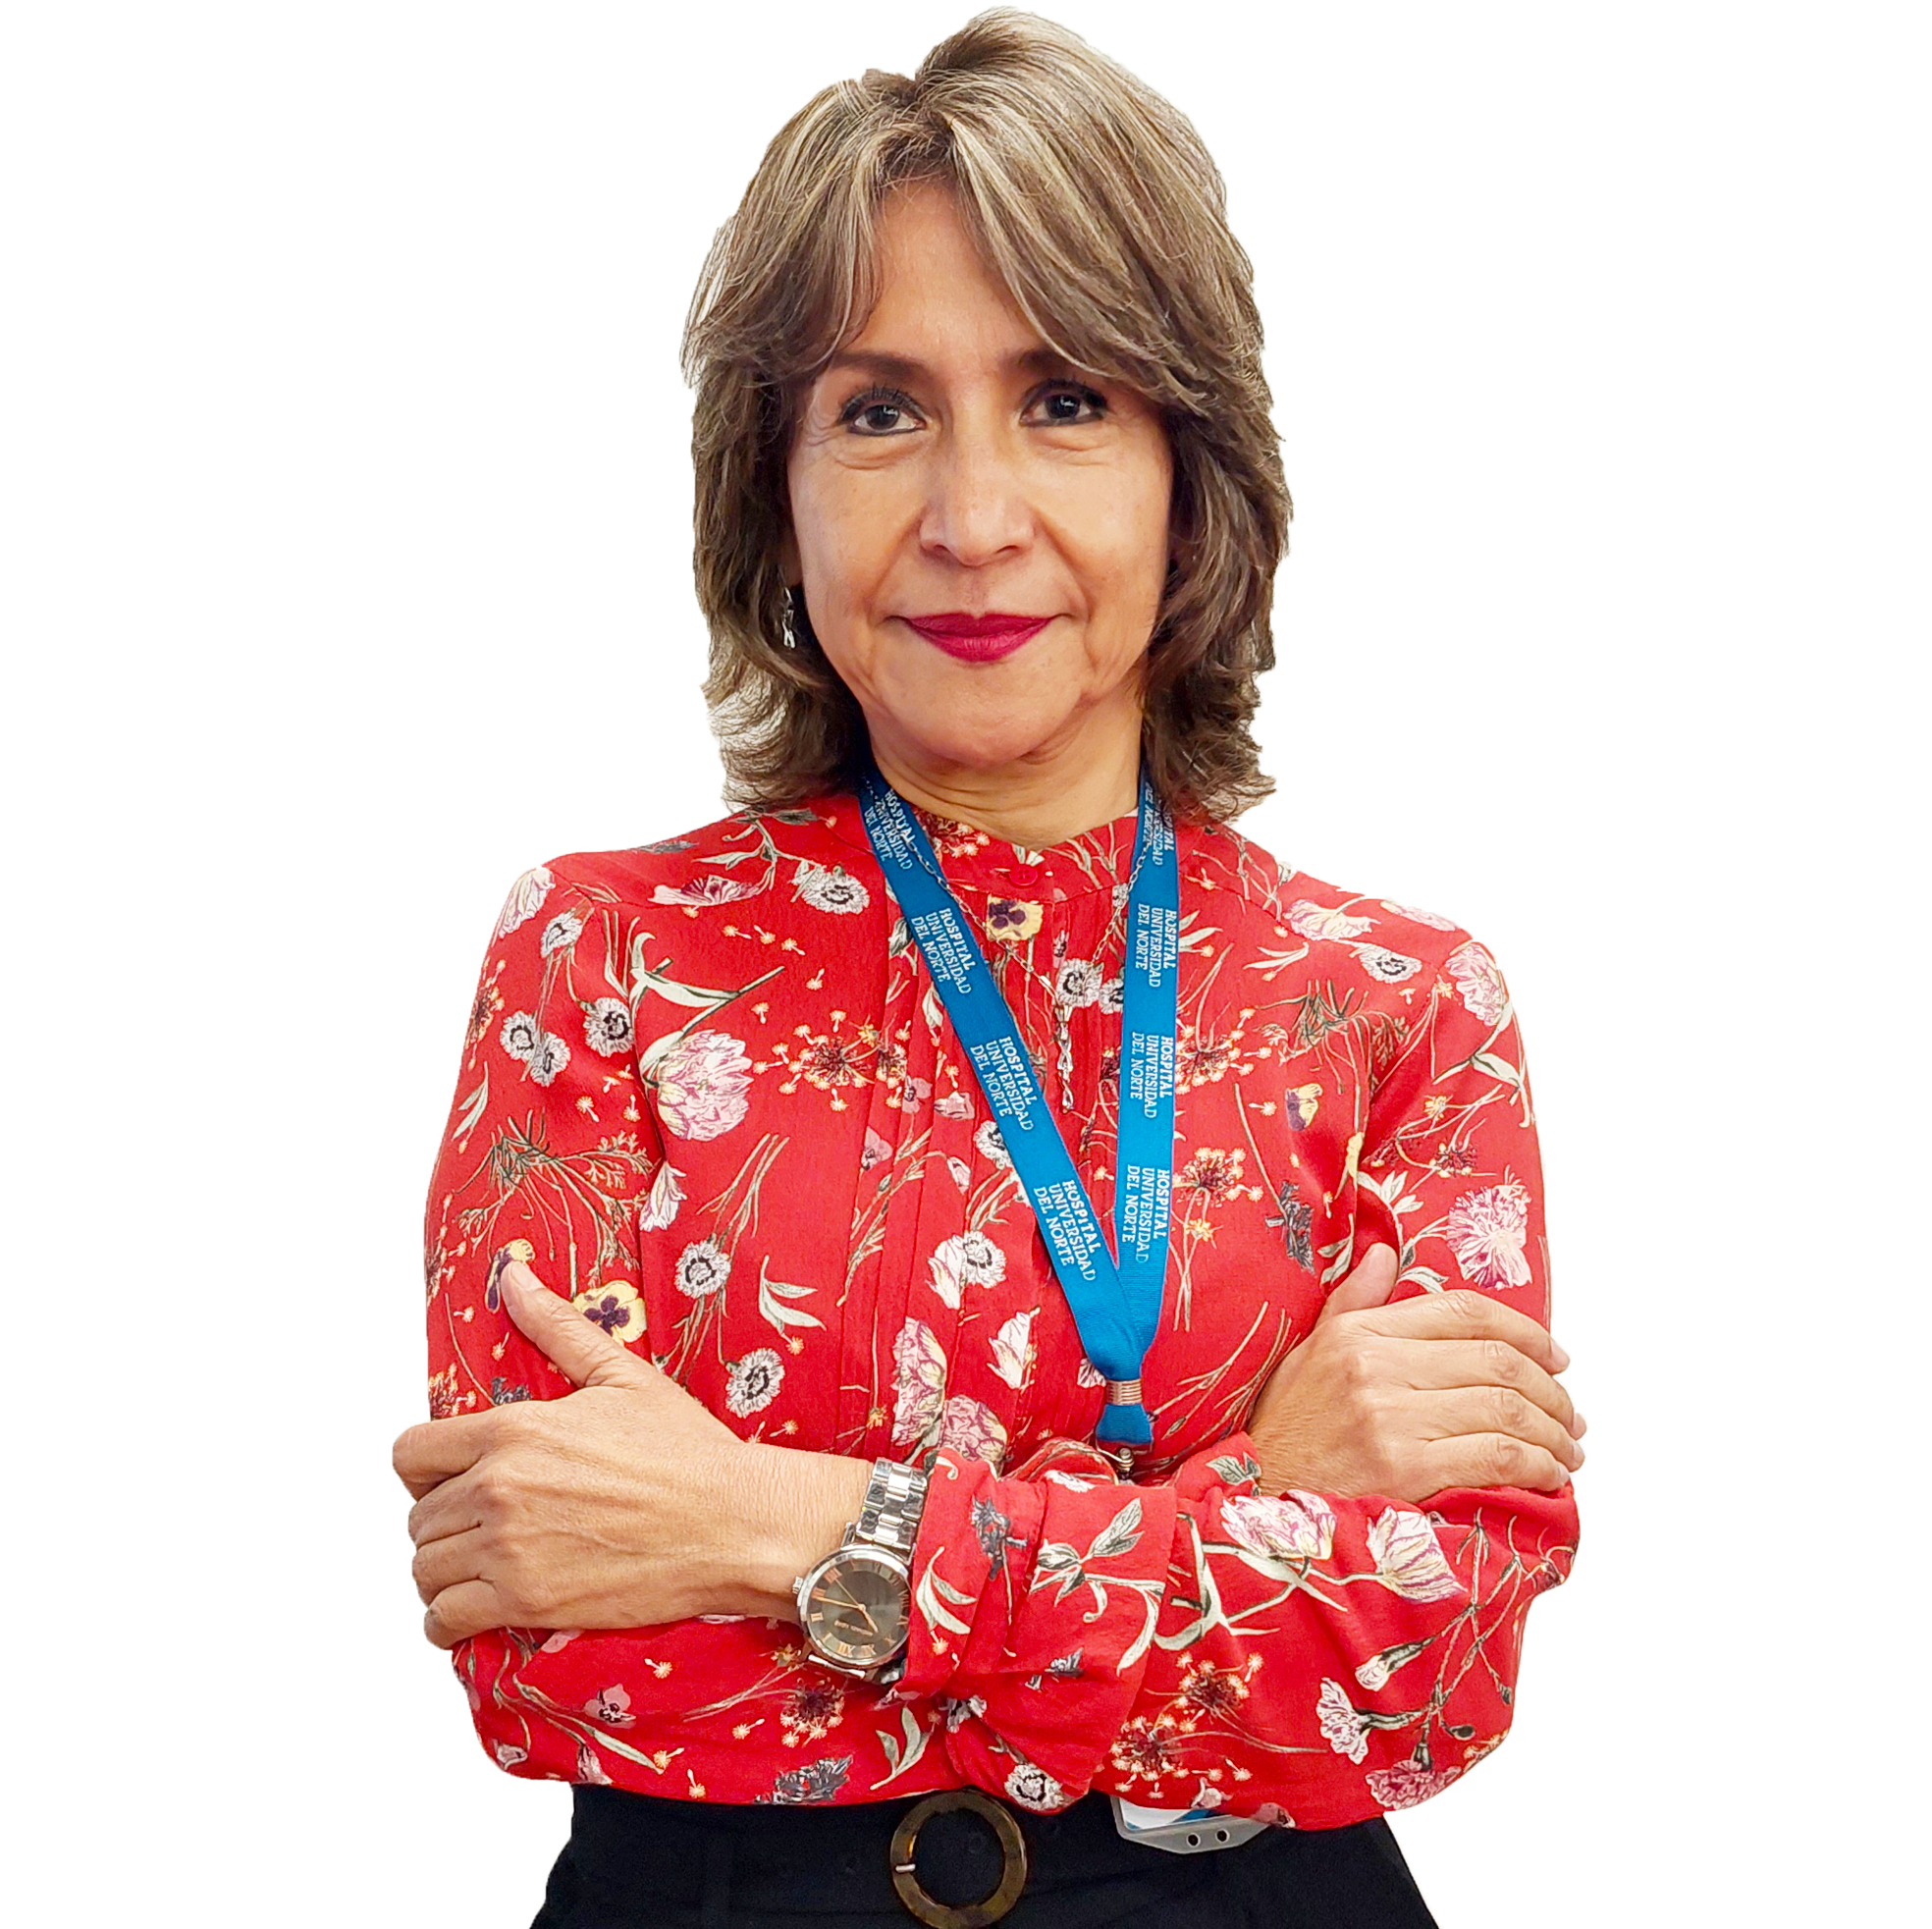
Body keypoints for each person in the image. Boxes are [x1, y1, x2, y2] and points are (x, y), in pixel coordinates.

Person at [392, 12, 1583, 1925]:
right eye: (878, 411)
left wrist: (764, 1520)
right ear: (771, 485)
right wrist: (1240, 1505)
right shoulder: (602, 955)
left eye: (1067, 400)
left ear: (1192, 471)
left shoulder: (1401, 1003)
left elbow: (1420, 1670)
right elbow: (551, 1647)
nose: (970, 519)